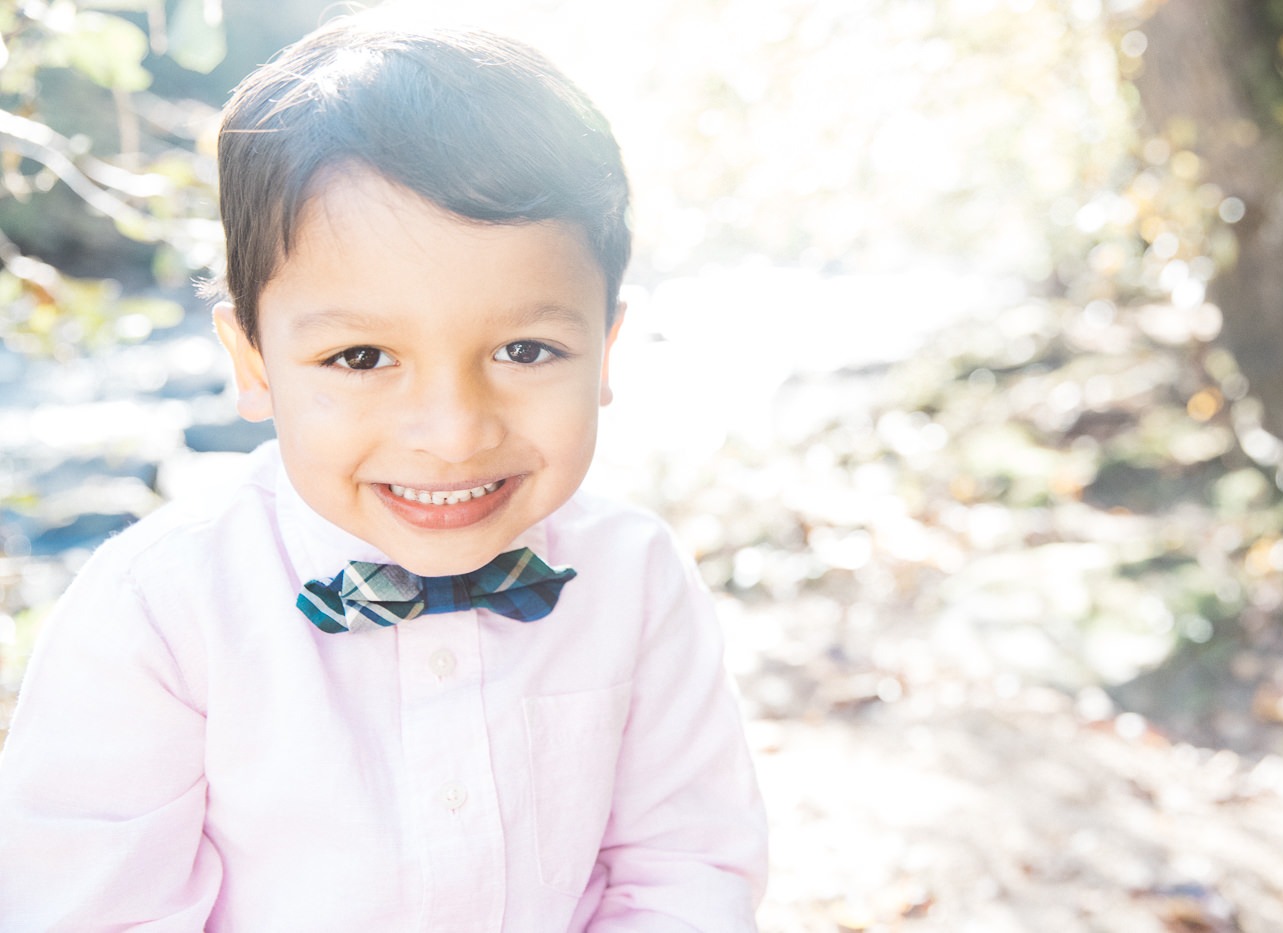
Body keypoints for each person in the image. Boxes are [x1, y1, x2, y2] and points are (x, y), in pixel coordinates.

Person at [0, 9, 767, 931]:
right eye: (362, 358)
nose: (452, 434)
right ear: (253, 364)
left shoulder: (634, 577)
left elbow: (685, 867)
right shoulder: (159, 612)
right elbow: (93, 909)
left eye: (525, 349)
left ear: (605, 351)